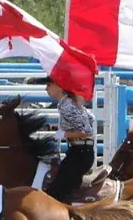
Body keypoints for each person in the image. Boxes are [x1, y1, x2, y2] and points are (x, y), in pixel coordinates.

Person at [30, 76, 95, 204]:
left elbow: (86, 132)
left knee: (56, 192)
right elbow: (90, 119)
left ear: (59, 87)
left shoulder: (67, 106)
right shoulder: (68, 103)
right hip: (80, 152)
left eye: (49, 85)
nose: (46, 88)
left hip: (80, 154)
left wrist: (64, 134)